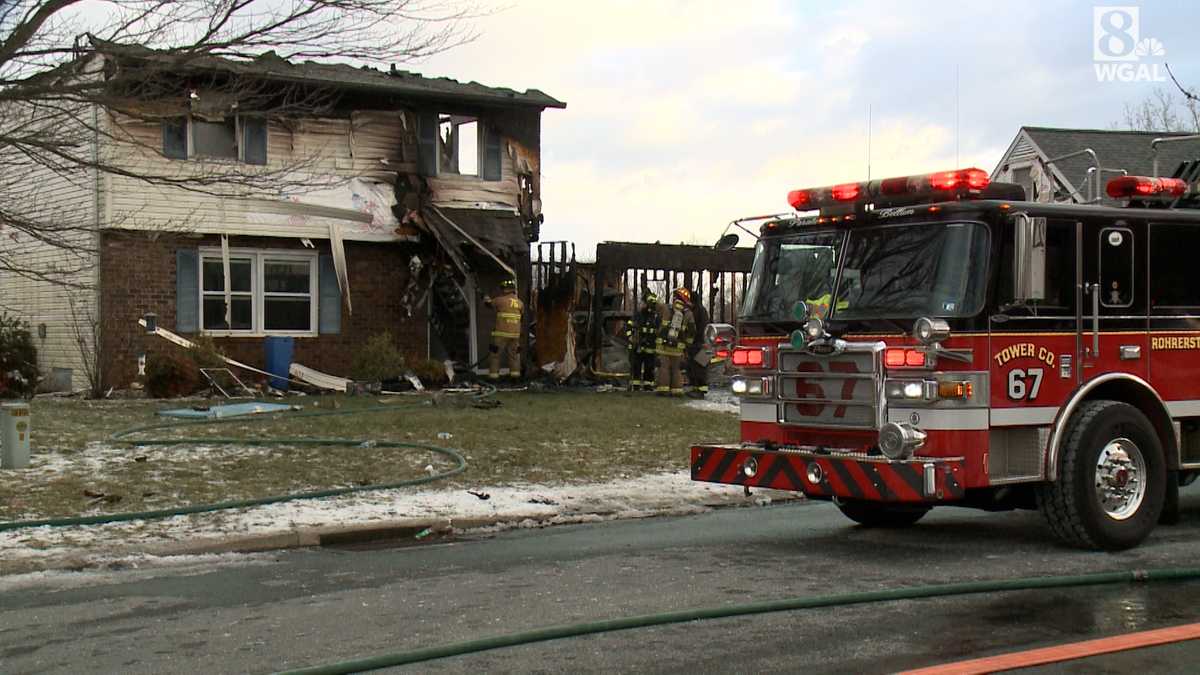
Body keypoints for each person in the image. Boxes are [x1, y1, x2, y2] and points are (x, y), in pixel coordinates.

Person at [656, 287, 695, 396]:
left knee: (663, 368)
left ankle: (663, 390)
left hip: (663, 346)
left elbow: (656, 309)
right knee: (677, 369)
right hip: (678, 348)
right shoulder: (688, 314)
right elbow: (692, 331)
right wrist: (687, 345)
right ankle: (677, 390)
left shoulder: (666, 308)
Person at [484, 278, 523, 380]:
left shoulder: (499, 300)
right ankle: (515, 377)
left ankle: (493, 377)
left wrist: (486, 299)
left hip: (501, 334)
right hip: (515, 335)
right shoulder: (520, 303)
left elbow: (489, 304)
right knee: (514, 355)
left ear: (504, 289)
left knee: (495, 354)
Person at [624, 292, 661, 391]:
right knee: (636, 367)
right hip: (638, 347)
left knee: (649, 368)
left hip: (651, 347)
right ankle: (635, 386)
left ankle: (648, 386)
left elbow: (660, 331)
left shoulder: (656, 316)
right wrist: (631, 337)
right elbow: (628, 326)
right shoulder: (638, 315)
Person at [684, 287, 711, 399]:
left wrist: (689, 342)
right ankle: (699, 389)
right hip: (704, 343)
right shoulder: (703, 310)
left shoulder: (696, 312)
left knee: (697, 367)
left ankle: (698, 390)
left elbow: (694, 329)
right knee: (701, 367)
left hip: (698, 344)